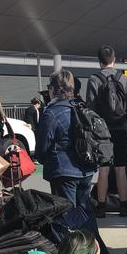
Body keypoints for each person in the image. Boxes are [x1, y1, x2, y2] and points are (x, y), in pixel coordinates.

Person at [87, 45, 127, 218]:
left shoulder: (94, 79)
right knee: (121, 169)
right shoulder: (124, 79)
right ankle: (123, 205)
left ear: (99, 61)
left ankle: (101, 207)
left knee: (104, 169)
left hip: (102, 132)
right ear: (114, 59)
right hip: (121, 129)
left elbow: (90, 109)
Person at [35, 70, 96, 207]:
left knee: (66, 215)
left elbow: (42, 147)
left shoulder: (51, 113)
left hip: (63, 170)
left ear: (53, 89)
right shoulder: (81, 108)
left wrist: (45, 160)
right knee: (84, 213)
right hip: (86, 168)